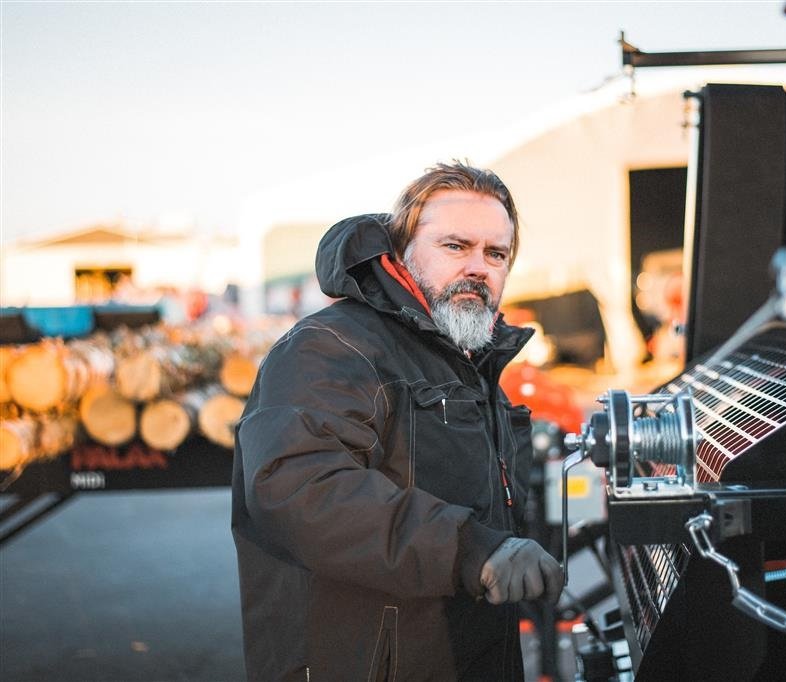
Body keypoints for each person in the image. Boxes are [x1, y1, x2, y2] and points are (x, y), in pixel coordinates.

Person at [231, 161, 563, 681]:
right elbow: (299, 488)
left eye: (495, 253)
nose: (478, 266)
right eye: (455, 246)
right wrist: (472, 549)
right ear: (402, 251)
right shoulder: (332, 347)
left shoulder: (467, 358)